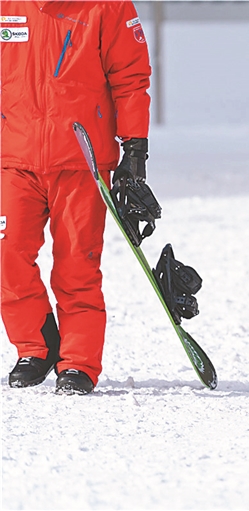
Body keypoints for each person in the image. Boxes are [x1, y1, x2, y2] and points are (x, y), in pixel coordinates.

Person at [1, 1, 151, 394]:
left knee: (77, 265)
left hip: (82, 160)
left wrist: (135, 148)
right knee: (6, 256)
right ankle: (35, 346)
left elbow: (131, 78)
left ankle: (78, 362)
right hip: (13, 157)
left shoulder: (109, 6)